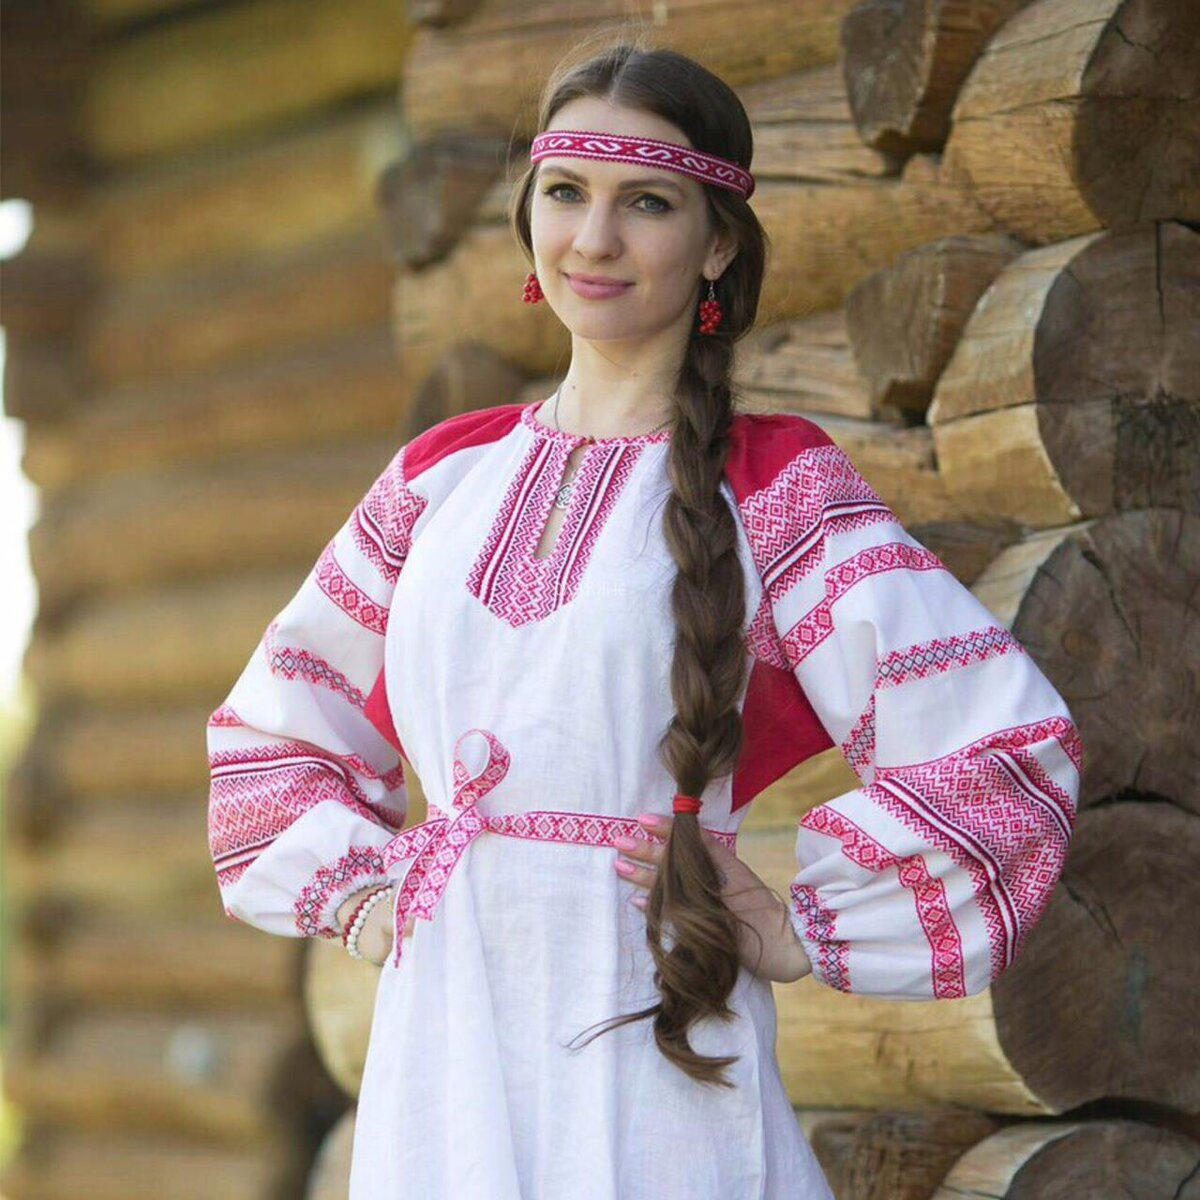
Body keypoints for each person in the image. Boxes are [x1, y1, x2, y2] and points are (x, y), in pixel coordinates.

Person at [205, 36, 1082, 1199]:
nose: (595, 239)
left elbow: (1002, 748)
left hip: (654, 1018)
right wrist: (373, 900)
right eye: (565, 193)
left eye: (648, 203)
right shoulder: (439, 479)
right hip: (447, 1038)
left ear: (717, 241)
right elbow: (274, 736)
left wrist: (802, 924)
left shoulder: (778, 485)